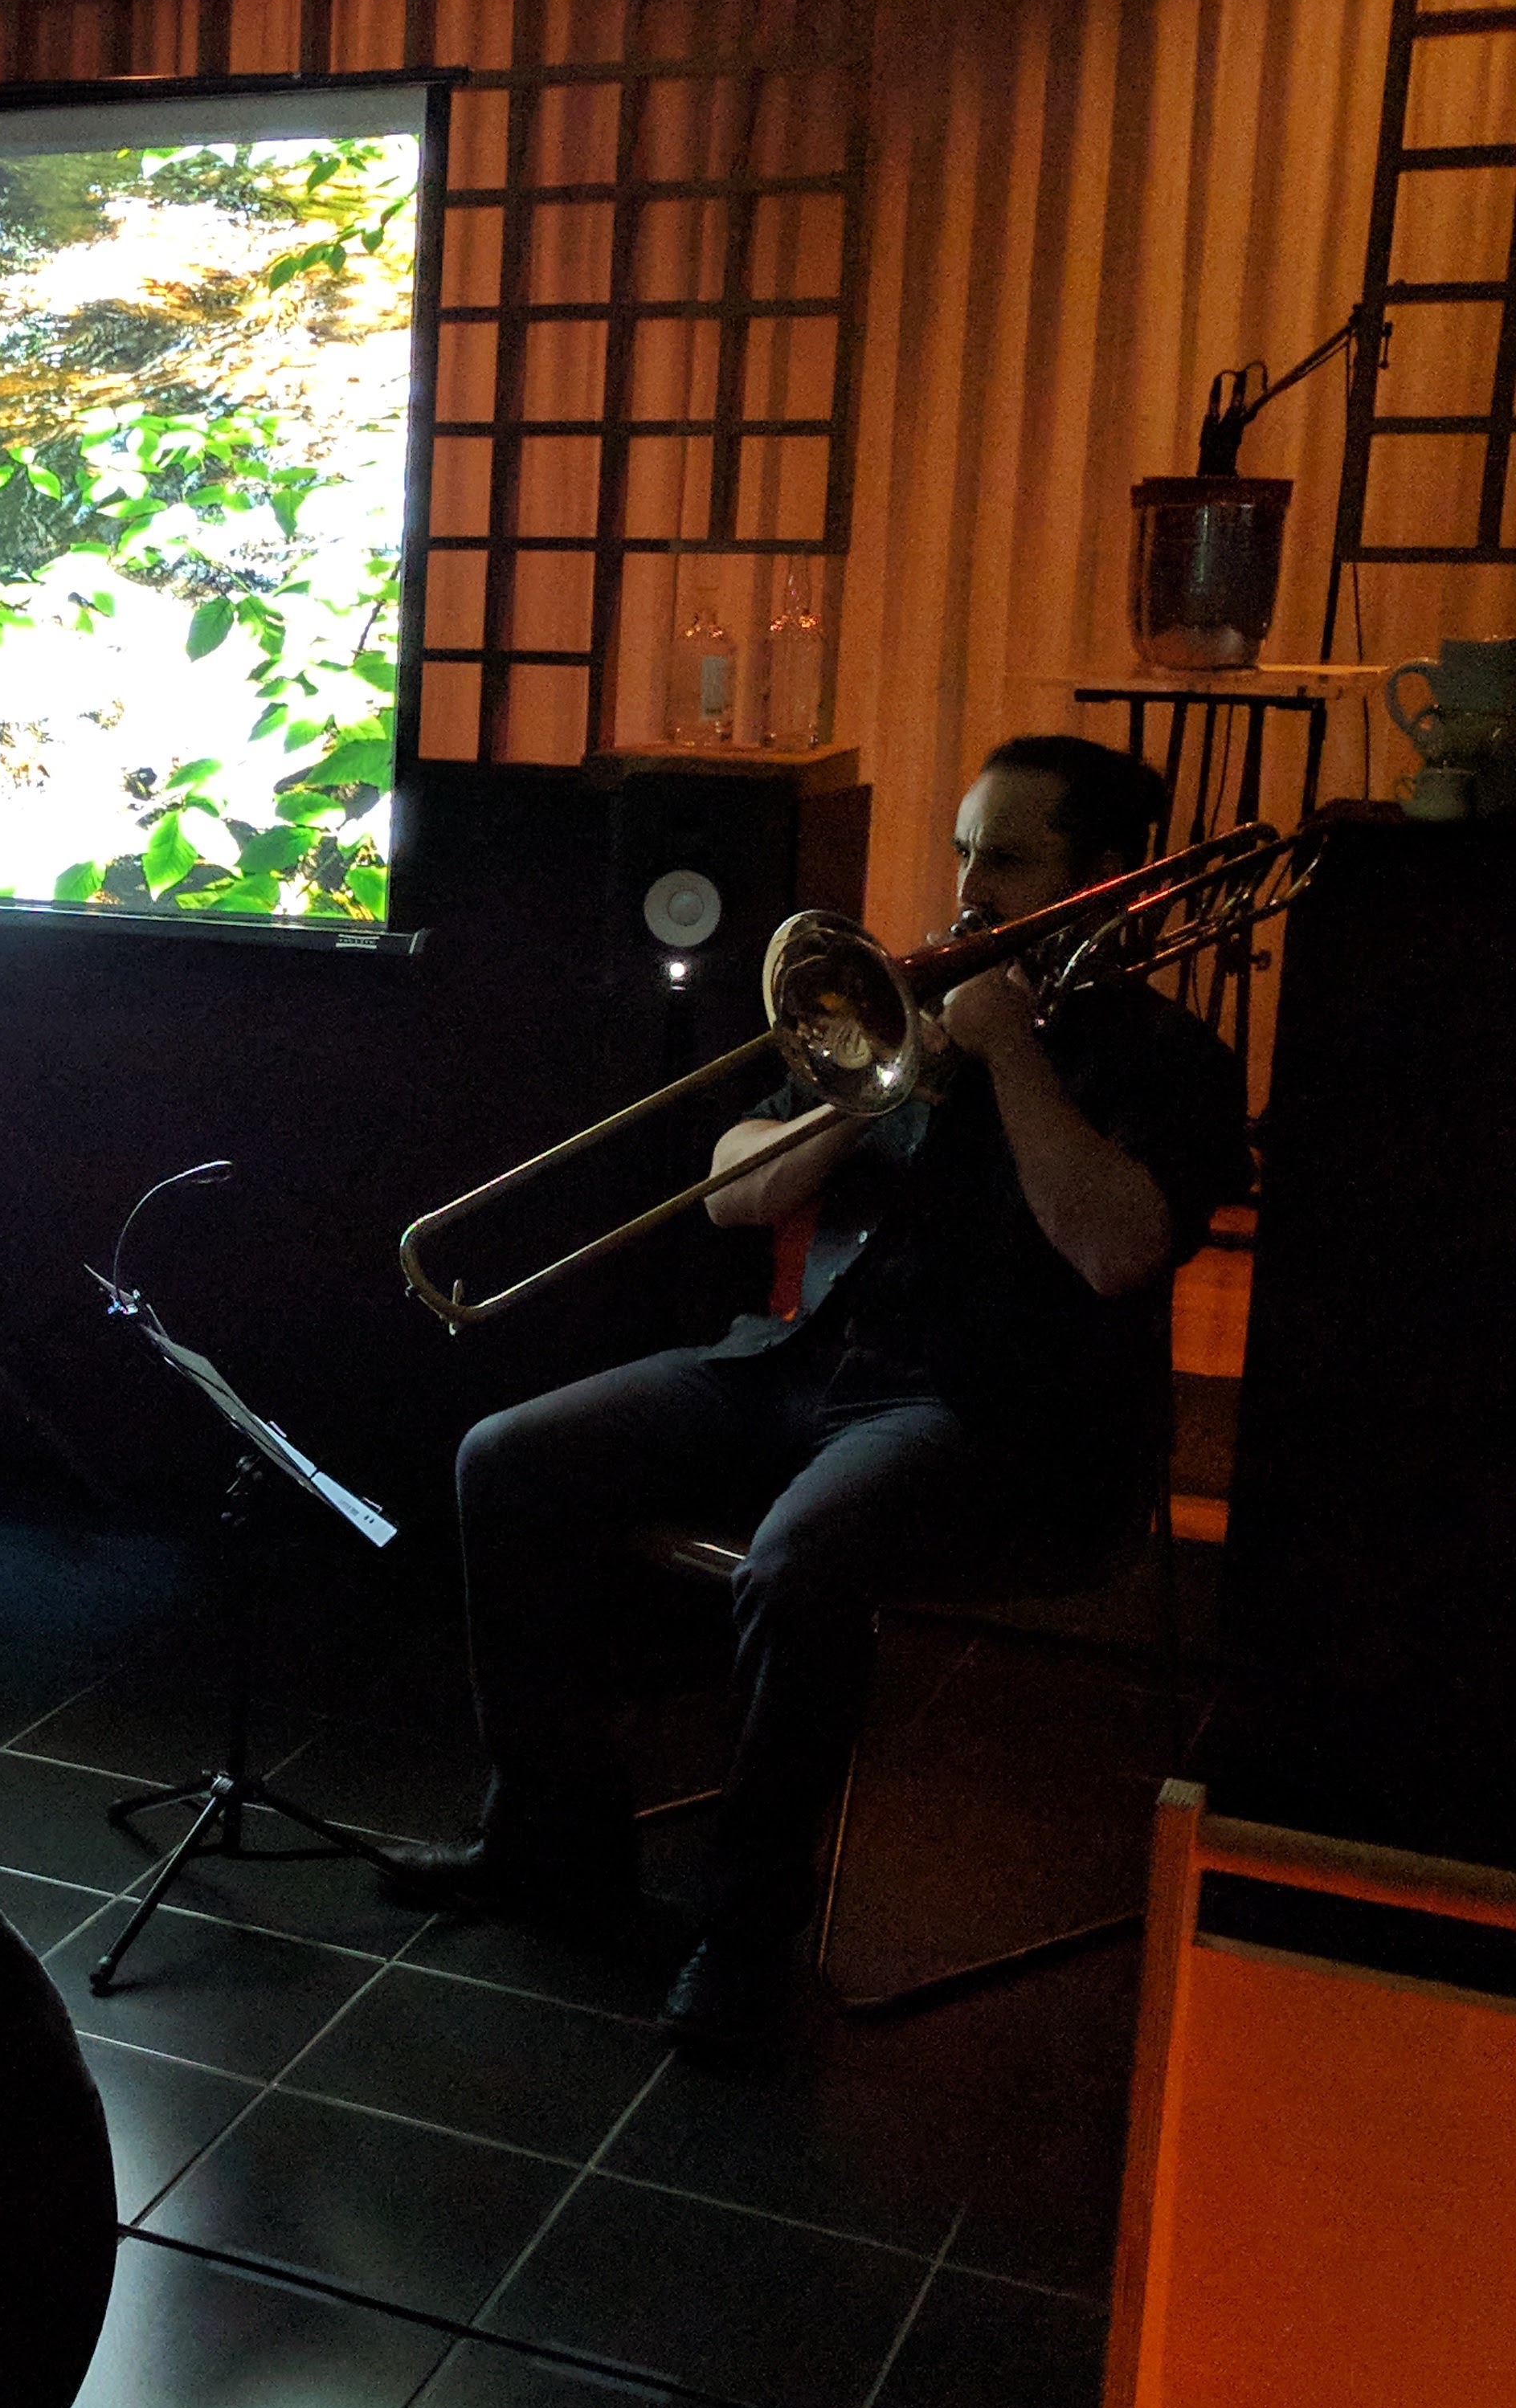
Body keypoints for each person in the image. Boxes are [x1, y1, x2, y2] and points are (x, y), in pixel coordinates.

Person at [381, 736, 1251, 2054]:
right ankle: (549, 1839)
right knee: (507, 1458)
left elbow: (1114, 1249)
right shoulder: (909, 1007)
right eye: (964, 850)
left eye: (1008, 859)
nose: (968, 887)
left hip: (996, 1415)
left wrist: (1011, 1058)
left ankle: (743, 1938)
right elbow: (731, 1191)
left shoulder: (1168, 1057)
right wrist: (870, 1088)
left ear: (1107, 876)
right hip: (805, 1365)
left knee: (800, 1562)